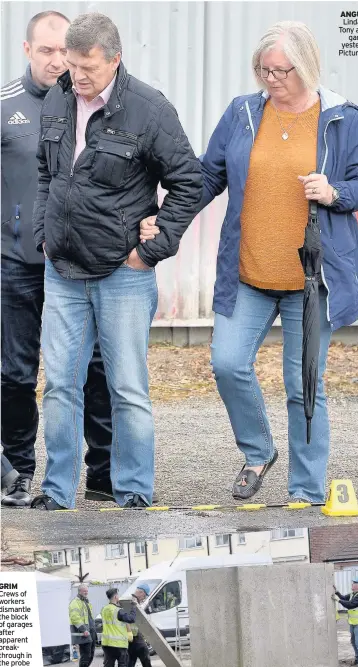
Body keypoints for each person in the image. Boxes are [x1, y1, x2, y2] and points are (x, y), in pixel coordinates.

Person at [140, 20, 358, 504]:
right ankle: (258, 450)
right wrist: (166, 220)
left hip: (312, 279)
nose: (271, 79)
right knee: (227, 364)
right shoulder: (244, 113)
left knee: (302, 383)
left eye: (282, 71)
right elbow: (208, 176)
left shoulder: (341, 118)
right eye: (264, 70)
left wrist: (336, 192)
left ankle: (306, 491)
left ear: (307, 67)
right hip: (248, 272)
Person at [31, 12, 202, 511]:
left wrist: (151, 249)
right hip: (61, 270)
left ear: (115, 59)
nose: (77, 77)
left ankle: (133, 492)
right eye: (72, 64)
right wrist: (44, 233)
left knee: (127, 388)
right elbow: (47, 173)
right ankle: (57, 492)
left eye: (88, 68)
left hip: (122, 275)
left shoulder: (149, 109)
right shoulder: (59, 95)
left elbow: (188, 182)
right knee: (60, 385)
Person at [1, 10, 113, 509]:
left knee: (94, 368)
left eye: (61, 52)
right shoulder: (6, 107)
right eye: (44, 51)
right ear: (27, 50)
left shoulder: (95, 105)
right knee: (18, 372)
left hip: (78, 266)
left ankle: (104, 475)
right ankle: (20, 472)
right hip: (17, 263)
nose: (55, 61)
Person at [98, 587, 137, 667]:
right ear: (115, 596)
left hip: (107, 643)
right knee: (123, 666)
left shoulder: (104, 609)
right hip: (118, 644)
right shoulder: (118, 610)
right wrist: (134, 606)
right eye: (118, 596)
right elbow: (131, 619)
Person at [124, 584, 163, 667]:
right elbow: (128, 618)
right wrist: (129, 632)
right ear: (140, 592)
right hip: (133, 634)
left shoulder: (130, 600)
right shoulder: (132, 602)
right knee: (144, 651)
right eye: (144, 595)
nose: (144, 597)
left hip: (133, 633)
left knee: (132, 656)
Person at [333, 577, 358, 667]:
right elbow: (343, 598)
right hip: (353, 622)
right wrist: (337, 592)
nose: (352, 584)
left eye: (354, 583)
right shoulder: (352, 594)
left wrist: (337, 600)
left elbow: (350, 605)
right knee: (353, 641)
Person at [69, 584, 97, 667]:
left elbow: (89, 617)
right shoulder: (75, 603)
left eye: (87, 591)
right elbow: (75, 617)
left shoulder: (86, 602)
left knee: (91, 654)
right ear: (79, 591)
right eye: (84, 591)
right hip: (84, 633)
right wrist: (83, 629)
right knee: (85, 655)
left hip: (91, 631)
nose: (86, 593)